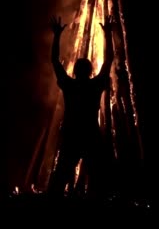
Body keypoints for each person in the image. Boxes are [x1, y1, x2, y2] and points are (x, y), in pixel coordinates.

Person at [47, 15, 115, 199]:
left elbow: (54, 60)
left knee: (60, 180)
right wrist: (108, 34)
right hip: (91, 136)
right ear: (91, 71)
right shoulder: (95, 85)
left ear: (75, 71)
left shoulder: (69, 85)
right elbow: (109, 60)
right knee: (97, 181)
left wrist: (57, 35)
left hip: (72, 136)